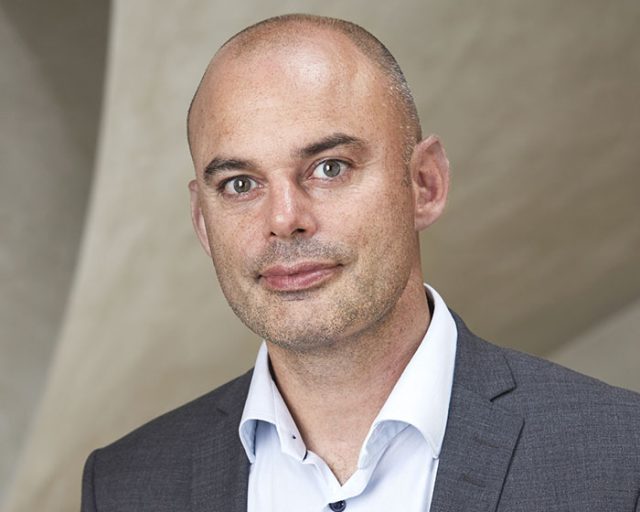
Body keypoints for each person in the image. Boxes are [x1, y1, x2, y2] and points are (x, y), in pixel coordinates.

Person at [81, 14, 640, 512]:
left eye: (330, 168)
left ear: (424, 184)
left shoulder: (620, 459)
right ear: (203, 222)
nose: (284, 219)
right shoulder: (126, 487)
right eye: (240, 184)